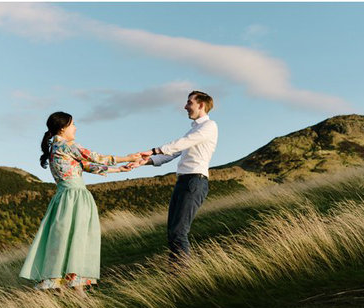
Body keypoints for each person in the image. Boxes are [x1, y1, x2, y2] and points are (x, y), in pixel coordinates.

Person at [20, 111, 142, 293]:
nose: (75, 127)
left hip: (63, 198)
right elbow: (95, 157)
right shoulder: (66, 146)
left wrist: (121, 170)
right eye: (72, 124)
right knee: (78, 238)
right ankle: (75, 288)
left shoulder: (56, 149)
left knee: (63, 239)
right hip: (75, 196)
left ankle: (63, 286)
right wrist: (128, 157)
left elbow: (87, 166)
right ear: (62, 128)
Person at [129, 91, 218, 264]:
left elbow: (180, 144)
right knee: (172, 231)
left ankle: (181, 276)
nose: (185, 107)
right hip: (183, 182)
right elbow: (173, 152)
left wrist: (155, 149)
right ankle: (176, 273)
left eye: (189, 103)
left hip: (195, 181)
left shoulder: (209, 126)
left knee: (179, 232)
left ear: (201, 105)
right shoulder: (193, 130)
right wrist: (144, 161)